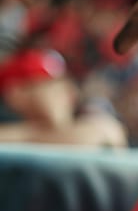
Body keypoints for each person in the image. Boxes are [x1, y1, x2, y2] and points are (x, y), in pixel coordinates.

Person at [0, 48, 128, 147]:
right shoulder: (8, 121)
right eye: (47, 83)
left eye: (62, 81)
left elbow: (105, 134)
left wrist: (27, 136)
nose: (65, 89)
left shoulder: (97, 121)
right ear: (16, 93)